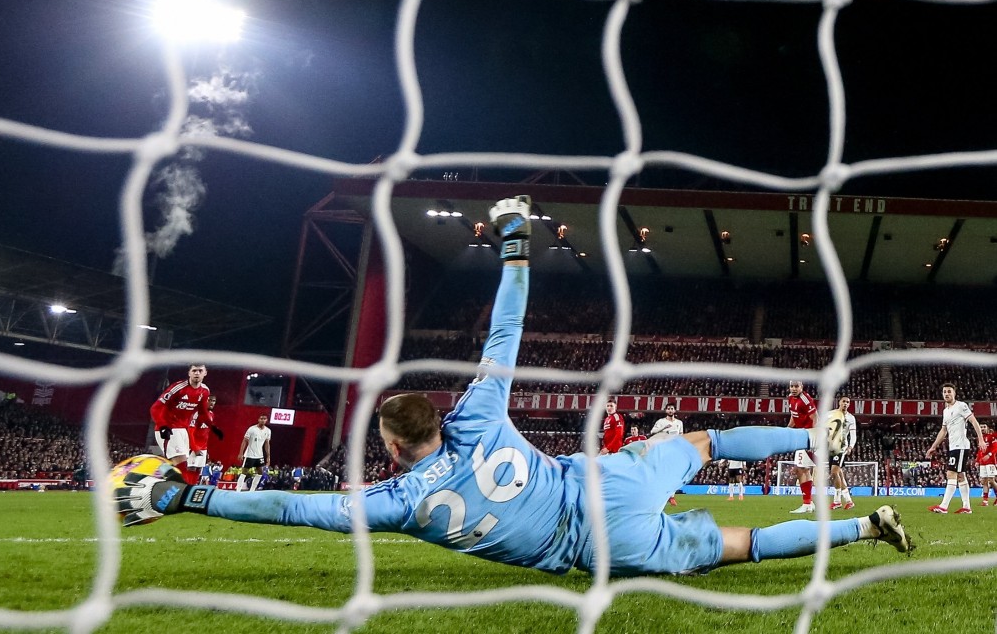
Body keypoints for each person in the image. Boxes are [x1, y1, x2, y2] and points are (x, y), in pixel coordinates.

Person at [114, 195, 913, 578]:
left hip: (597, 544)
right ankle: (815, 436)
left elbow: (289, 504)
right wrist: (515, 243)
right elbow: (505, 333)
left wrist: (188, 496)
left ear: (392, 445)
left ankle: (866, 530)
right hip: (604, 480)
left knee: (740, 548)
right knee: (706, 441)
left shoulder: (397, 503)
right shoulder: (481, 413)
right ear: (441, 416)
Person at [926, 382, 986, 514]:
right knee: (960, 476)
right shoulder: (945, 411)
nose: (947, 394)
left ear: (954, 393)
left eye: (949, 391)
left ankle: (944, 506)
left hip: (961, 446)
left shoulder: (961, 406)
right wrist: (933, 447)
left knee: (951, 473)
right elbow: (943, 430)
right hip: (954, 446)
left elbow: (974, 422)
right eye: (945, 392)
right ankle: (966, 507)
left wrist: (980, 439)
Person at [149, 364, 216, 479]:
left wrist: (212, 427)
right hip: (169, 428)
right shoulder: (178, 388)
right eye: (194, 370)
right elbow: (155, 408)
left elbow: (202, 412)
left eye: (200, 371)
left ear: (205, 373)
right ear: (189, 373)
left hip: (183, 430)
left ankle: (155, 477)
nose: (197, 373)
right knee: (181, 463)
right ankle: (182, 492)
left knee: (177, 465)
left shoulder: (205, 391)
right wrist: (162, 426)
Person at [786, 380, 818, 514]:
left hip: (807, 436)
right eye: (792, 386)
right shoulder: (790, 398)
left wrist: (814, 435)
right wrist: (787, 430)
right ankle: (809, 503)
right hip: (800, 435)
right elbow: (794, 417)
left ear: (801, 387)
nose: (794, 389)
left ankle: (807, 503)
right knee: (804, 470)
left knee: (801, 469)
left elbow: (815, 417)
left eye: (796, 386)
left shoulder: (805, 399)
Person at [651, 404, 685, 506]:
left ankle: (671, 496)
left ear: (675, 410)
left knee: (675, 473)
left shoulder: (679, 423)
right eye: (668, 409)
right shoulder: (661, 422)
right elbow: (652, 432)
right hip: (663, 449)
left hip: (674, 450)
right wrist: (664, 428)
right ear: (666, 410)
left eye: (672, 409)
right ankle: (659, 494)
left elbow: (681, 436)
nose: (670, 410)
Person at [829, 396, 857, 511]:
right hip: (831, 447)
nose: (845, 403)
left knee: (834, 473)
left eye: (847, 402)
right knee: (839, 475)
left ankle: (837, 501)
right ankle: (849, 501)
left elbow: (853, 435)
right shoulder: (831, 414)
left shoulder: (851, 418)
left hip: (841, 448)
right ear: (839, 403)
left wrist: (851, 446)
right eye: (843, 401)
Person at [186, 396, 222, 486]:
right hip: (193, 447)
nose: (212, 402)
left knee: (199, 469)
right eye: (209, 400)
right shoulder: (197, 413)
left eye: (214, 401)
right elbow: (190, 432)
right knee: (191, 468)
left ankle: (193, 488)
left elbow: (206, 433)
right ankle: (186, 488)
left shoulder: (211, 414)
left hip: (203, 448)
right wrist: (194, 448)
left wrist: (206, 450)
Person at [238, 414, 271, 492]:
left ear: (266, 420)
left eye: (264, 419)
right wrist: (241, 453)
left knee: (260, 472)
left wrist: (268, 456)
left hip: (259, 455)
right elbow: (245, 441)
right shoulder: (252, 429)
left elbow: (267, 444)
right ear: (258, 419)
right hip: (250, 454)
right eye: (261, 418)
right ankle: (238, 490)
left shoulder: (268, 431)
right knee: (244, 472)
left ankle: (252, 490)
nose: (263, 420)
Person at [977, 423, 997, 507]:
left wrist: (989, 455)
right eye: (981, 427)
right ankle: (985, 501)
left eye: (984, 427)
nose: (982, 429)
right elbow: (980, 450)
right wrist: (977, 460)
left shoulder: (992, 436)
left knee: (991, 480)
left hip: (991, 461)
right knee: (984, 481)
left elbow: (995, 448)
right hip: (982, 463)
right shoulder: (980, 438)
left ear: (987, 428)